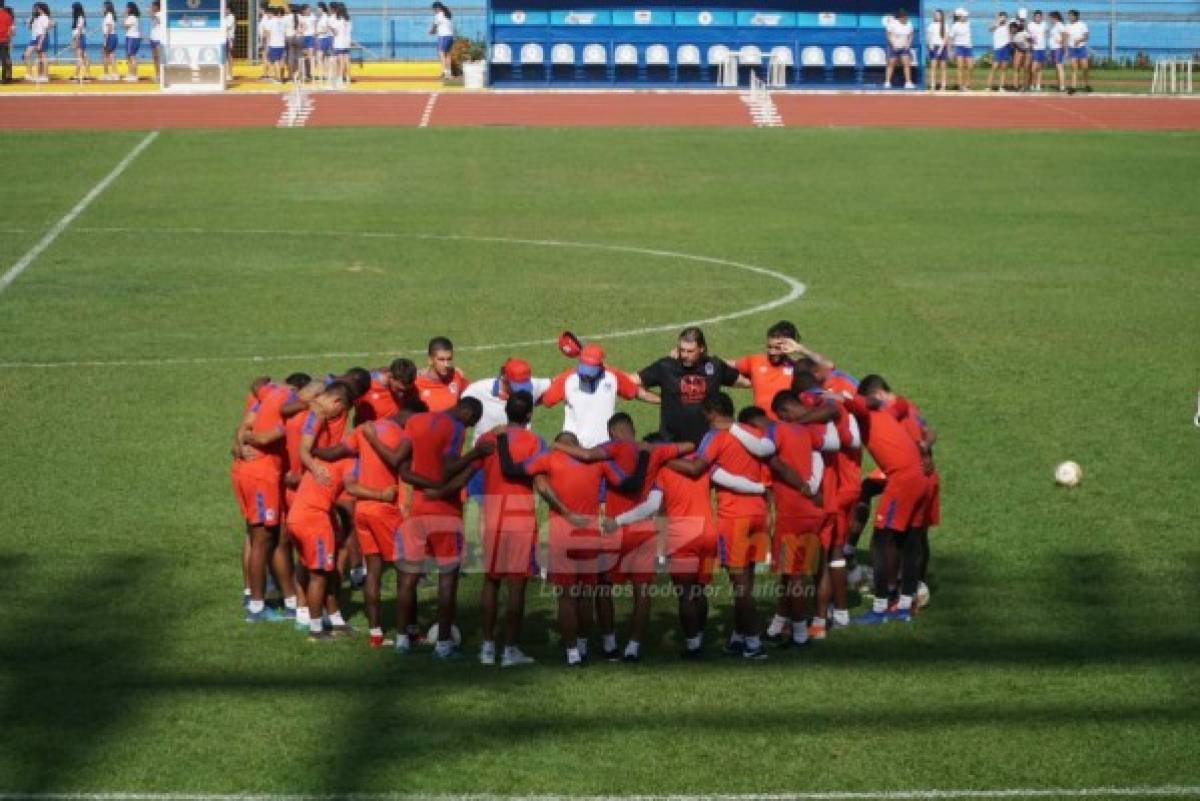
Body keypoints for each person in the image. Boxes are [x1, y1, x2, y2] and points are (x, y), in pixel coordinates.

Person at [498, 430, 646, 667]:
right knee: (586, 595)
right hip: (589, 533)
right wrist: (646, 458)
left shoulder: (549, 458)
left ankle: (572, 653)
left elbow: (510, 469)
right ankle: (583, 643)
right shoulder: (599, 463)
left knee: (566, 597)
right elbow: (630, 483)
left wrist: (502, 438)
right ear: (577, 444)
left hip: (560, 534)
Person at [561, 413, 689, 662]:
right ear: (632, 428)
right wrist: (654, 448)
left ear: (611, 432)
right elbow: (689, 446)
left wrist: (558, 445)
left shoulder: (611, 448)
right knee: (642, 591)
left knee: (602, 587)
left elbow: (586, 456)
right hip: (643, 532)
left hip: (613, 529)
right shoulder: (654, 452)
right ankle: (633, 647)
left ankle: (607, 644)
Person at [666, 394, 779, 660]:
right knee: (747, 580)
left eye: (705, 414)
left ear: (712, 412)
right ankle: (739, 638)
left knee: (741, 587)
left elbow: (696, 469)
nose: (704, 419)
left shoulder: (714, 437)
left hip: (734, 517)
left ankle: (754, 644)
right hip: (759, 514)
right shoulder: (753, 432)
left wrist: (662, 457)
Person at [393, 397, 488, 658]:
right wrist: (474, 455)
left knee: (408, 575)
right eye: (471, 422)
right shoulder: (455, 428)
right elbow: (447, 470)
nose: (468, 428)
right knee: (447, 578)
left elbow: (402, 470)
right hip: (445, 512)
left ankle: (402, 640)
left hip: (417, 509)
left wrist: (427, 487)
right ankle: (443, 645)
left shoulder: (416, 421)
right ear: (466, 411)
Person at [846, 375, 929, 624]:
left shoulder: (867, 411)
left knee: (883, 542)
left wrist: (837, 398)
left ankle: (881, 608)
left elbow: (856, 405)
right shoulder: (894, 408)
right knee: (910, 540)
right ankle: (903, 605)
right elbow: (913, 416)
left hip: (902, 479)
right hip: (921, 476)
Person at [471, 392, 546, 667]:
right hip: (520, 519)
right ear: (529, 415)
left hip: (492, 516)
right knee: (517, 585)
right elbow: (540, 479)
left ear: (506, 410)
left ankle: (487, 647)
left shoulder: (487, 439)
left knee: (490, 582)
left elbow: (476, 481)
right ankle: (510, 650)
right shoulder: (535, 442)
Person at [637, 326, 742, 445]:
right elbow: (632, 382)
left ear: (701, 348)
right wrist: (659, 399)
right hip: (673, 443)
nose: (685, 355)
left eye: (690, 351)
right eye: (682, 350)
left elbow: (745, 381)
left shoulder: (715, 366)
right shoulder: (666, 367)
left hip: (707, 443)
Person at [541, 343, 657, 448]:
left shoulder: (613, 376)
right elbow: (546, 400)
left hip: (605, 449)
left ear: (600, 366)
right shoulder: (567, 378)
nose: (585, 376)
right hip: (575, 448)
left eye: (590, 372)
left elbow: (636, 392)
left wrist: (667, 399)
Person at [728, 320, 800, 419]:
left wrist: (800, 349)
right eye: (769, 347)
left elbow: (827, 369)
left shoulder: (798, 368)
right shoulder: (755, 361)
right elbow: (727, 364)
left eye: (777, 348)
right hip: (760, 428)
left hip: (787, 428)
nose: (772, 352)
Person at [414, 336, 468, 412]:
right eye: (441, 360)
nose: (446, 364)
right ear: (430, 360)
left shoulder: (456, 377)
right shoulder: (416, 382)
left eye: (449, 359)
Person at [883, 8, 915, 89]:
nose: (904, 18)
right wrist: (893, 44)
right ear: (899, 17)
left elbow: (911, 34)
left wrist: (908, 44)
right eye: (901, 16)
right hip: (893, 47)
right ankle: (887, 82)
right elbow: (888, 34)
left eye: (905, 16)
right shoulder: (893, 24)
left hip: (904, 47)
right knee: (891, 64)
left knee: (907, 64)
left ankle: (908, 82)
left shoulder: (909, 24)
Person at [23, 3, 50, 83]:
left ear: (41, 9)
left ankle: (45, 75)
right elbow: (30, 28)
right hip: (34, 38)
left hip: (41, 37)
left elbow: (44, 31)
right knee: (26, 55)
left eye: (36, 8)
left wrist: (40, 43)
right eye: (34, 9)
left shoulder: (45, 17)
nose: (35, 10)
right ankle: (30, 74)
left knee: (42, 56)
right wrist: (28, 23)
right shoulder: (36, 18)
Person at [1066, 9, 1089, 93]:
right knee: (1074, 68)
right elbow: (1066, 38)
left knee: (1085, 67)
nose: (1069, 17)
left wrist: (1079, 40)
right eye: (1069, 15)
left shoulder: (1082, 25)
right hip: (1072, 49)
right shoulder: (1067, 26)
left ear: (1076, 16)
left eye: (1071, 15)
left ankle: (1087, 84)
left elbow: (1086, 37)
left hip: (1081, 48)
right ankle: (1073, 87)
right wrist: (1067, 51)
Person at [949, 7, 972, 90]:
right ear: (959, 16)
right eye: (963, 16)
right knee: (960, 67)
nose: (965, 17)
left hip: (968, 47)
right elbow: (951, 38)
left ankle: (967, 84)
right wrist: (950, 51)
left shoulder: (968, 23)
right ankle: (960, 85)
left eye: (965, 16)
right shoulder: (955, 26)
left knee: (970, 66)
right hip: (959, 47)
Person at [987, 11, 1011, 91]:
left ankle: (1001, 86)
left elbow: (1011, 33)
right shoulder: (995, 24)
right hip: (997, 48)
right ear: (999, 17)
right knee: (994, 67)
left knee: (1004, 68)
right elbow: (989, 29)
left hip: (1006, 47)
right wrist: (997, 23)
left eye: (1004, 17)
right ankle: (988, 86)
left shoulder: (1008, 25)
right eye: (1002, 17)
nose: (1003, 18)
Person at [926, 9, 948, 91]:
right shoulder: (931, 25)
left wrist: (941, 48)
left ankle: (943, 85)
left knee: (943, 67)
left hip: (942, 47)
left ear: (942, 16)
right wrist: (930, 46)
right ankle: (933, 85)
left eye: (938, 15)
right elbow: (929, 37)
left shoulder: (945, 25)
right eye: (935, 15)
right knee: (933, 67)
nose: (937, 16)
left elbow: (945, 37)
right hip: (933, 47)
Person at [430, 1, 453, 80]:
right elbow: (442, 25)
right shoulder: (447, 14)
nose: (434, 10)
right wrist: (435, 30)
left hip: (443, 36)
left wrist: (431, 31)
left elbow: (434, 26)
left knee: (441, 54)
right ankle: (449, 74)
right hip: (450, 36)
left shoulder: (438, 15)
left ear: (437, 8)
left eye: (434, 9)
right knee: (448, 55)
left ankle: (444, 72)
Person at [331, 1, 351, 85]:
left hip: (339, 41)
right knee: (346, 60)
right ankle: (348, 77)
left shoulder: (337, 19)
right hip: (347, 41)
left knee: (340, 61)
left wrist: (331, 28)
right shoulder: (347, 18)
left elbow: (335, 33)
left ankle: (340, 78)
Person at [1047, 11, 1067, 91]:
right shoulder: (1054, 26)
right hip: (1053, 48)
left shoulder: (1060, 25)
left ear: (1055, 17)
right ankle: (1059, 84)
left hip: (1058, 48)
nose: (1050, 19)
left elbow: (1064, 35)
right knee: (1056, 67)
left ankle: (1062, 86)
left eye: (1051, 17)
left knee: (1059, 67)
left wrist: (1062, 45)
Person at [264, 6, 285, 82]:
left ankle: (279, 78)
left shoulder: (271, 21)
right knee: (281, 61)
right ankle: (281, 77)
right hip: (282, 43)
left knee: (276, 61)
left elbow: (268, 35)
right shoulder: (283, 21)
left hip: (274, 44)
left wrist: (267, 46)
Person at [70, 3, 90, 81]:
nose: (71, 10)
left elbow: (79, 30)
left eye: (72, 8)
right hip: (79, 38)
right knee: (84, 56)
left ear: (76, 9)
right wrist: (73, 40)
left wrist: (76, 41)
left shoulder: (80, 17)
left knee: (79, 57)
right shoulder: (78, 18)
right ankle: (86, 74)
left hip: (80, 38)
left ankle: (78, 75)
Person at [1028, 10, 1047, 90]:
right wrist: (1031, 41)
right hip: (1034, 48)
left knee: (1040, 68)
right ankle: (1032, 84)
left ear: (1041, 17)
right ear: (1034, 17)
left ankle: (1038, 85)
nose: (1038, 18)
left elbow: (1046, 33)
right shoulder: (1030, 25)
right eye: (1036, 17)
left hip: (1042, 48)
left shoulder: (1044, 24)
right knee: (1033, 68)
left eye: (1039, 16)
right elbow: (1028, 36)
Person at [122, 2, 141, 82]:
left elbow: (125, 26)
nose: (125, 9)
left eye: (127, 8)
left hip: (132, 38)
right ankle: (131, 74)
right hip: (131, 37)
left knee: (132, 56)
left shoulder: (132, 17)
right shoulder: (133, 17)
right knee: (129, 56)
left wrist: (125, 16)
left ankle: (134, 75)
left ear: (130, 9)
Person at [1010, 21, 1030, 90]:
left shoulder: (1023, 33)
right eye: (1011, 28)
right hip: (1018, 51)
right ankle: (1015, 86)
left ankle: (1025, 86)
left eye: (1013, 28)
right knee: (1016, 68)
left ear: (1016, 28)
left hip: (1026, 50)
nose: (1012, 30)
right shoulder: (1012, 35)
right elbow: (1014, 45)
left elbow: (1031, 40)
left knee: (1026, 69)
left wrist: (1027, 49)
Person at [297, 4, 315, 81]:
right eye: (308, 9)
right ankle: (302, 73)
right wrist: (301, 31)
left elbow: (314, 27)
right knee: (303, 56)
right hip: (303, 37)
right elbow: (299, 27)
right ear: (304, 10)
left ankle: (308, 74)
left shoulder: (312, 16)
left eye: (310, 9)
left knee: (309, 57)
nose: (309, 10)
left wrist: (315, 36)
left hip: (310, 37)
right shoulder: (300, 17)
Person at [314, 1, 332, 79]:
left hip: (323, 38)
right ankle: (325, 74)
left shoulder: (324, 17)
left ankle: (324, 74)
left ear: (321, 9)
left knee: (319, 57)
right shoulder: (322, 17)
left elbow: (326, 30)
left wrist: (317, 32)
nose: (317, 10)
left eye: (318, 8)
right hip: (322, 38)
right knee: (323, 58)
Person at [147, 0, 162, 79]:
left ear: (156, 7)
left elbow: (158, 21)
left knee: (159, 57)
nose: (151, 8)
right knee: (155, 58)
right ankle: (157, 74)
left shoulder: (160, 14)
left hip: (159, 39)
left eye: (152, 6)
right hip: (153, 38)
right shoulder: (155, 14)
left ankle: (161, 74)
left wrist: (152, 13)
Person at [0, 0, 13, 84]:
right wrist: (8, 39)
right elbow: (10, 30)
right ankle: (6, 78)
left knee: (5, 59)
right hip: (4, 40)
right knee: (5, 59)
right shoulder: (8, 15)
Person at [223, 4, 235, 80]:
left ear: (229, 9)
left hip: (229, 38)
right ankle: (225, 73)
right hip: (224, 38)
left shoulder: (231, 17)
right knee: (225, 56)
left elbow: (227, 27)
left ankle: (230, 74)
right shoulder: (224, 17)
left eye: (226, 9)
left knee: (229, 56)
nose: (225, 11)